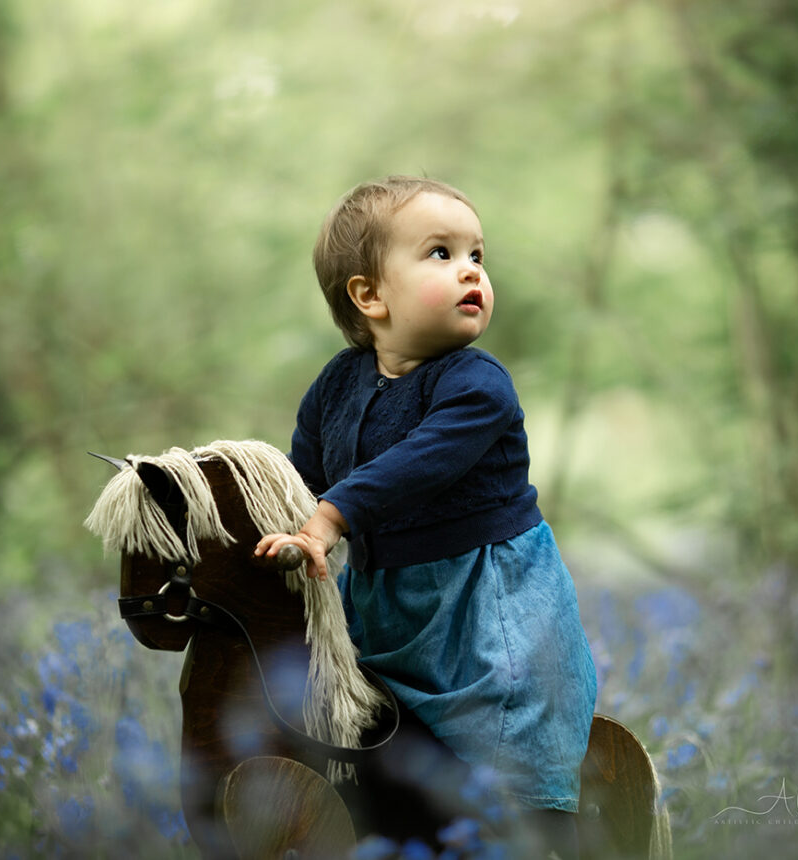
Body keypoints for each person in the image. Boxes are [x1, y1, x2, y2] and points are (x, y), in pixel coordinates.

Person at [254, 175, 597, 857]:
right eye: (441, 253)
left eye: (477, 254)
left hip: (483, 612)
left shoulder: (477, 384)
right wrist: (288, 527)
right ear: (370, 295)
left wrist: (330, 516)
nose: (471, 269)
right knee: (369, 741)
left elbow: (420, 462)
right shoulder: (338, 385)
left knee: (503, 744)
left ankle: (538, 839)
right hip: (385, 605)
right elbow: (304, 478)